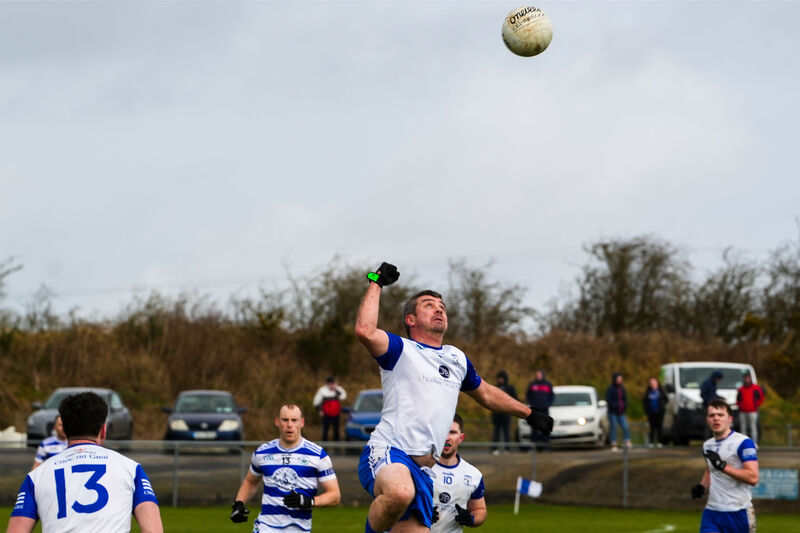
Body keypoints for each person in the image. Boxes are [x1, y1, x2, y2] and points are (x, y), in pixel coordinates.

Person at [354, 262, 552, 533]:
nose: (439, 309)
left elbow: (485, 393)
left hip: (424, 471)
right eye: (428, 305)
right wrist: (376, 281)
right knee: (399, 492)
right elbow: (365, 330)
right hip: (391, 450)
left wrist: (530, 414)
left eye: (442, 306)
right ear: (410, 319)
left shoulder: (456, 358)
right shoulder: (401, 349)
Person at [8, 392, 162, 533]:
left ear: (65, 430)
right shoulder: (131, 469)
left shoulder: (35, 477)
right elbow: (153, 530)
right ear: (103, 430)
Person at [230, 403, 341, 532]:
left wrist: (309, 501)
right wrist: (239, 503)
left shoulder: (318, 455)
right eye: (285, 420)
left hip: (299, 527)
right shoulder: (262, 453)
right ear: (277, 421)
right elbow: (250, 481)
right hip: (266, 526)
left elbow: (335, 496)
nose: (289, 425)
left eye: (294, 420)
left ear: (302, 422)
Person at [690, 398, 759, 533]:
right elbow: (710, 470)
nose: (716, 418)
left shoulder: (743, 442)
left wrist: (723, 466)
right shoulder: (707, 445)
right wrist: (702, 486)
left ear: (730, 419)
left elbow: (753, 477)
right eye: (712, 415)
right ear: (707, 420)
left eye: (720, 415)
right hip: (712, 511)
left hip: (738, 512)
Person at [431, 414, 487, 533]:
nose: (447, 437)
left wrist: (471, 519)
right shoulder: (419, 468)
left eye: (452, 432)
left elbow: (480, 509)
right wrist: (417, 512)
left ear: (461, 438)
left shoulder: (473, 475)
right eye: (443, 431)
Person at [525, 370, 555, 449]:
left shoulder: (547, 384)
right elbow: (528, 395)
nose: (537, 376)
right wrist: (531, 403)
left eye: (539, 375)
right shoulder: (532, 384)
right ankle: (533, 447)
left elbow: (552, 396)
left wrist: (548, 404)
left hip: (544, 410)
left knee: (545, 428)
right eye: (536, 375)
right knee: (534, 428)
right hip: (535, 410)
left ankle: (546, 447)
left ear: (542, 375)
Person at [313, 376, 348, 441]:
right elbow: (316, 401)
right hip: (326, 414)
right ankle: (324, 446)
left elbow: (343, 396)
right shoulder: (322, 390)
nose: (331, 385)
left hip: (336, 414)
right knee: (325, 430)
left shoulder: (337, 389)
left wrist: (336, 390)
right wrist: (320, 410)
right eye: (330, 384)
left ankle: (336, 447)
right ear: (327, 384)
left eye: (333, 383)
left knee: (336, 430)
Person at [491, 370, 517, 455]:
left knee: (506, 432)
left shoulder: (510, 388)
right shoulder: (494, 388)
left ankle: (507, 449)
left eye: (502, 378)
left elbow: (514, 399)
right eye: (499, 378)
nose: (500, 380)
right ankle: (494, 449)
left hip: (506, 414)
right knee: (496, 432)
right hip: (496, 414)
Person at [736, 373, 765, 446]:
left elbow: (761, 397)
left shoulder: (756, 388)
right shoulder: (741, 389)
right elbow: (738, 400)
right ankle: (743, 443)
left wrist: (756, 405)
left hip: (753, 411)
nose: (747, 379)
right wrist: (741, 406)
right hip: (743, 411)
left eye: (748, 378)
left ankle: (754, 443)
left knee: (753, 427)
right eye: (746, 378)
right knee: (743, 428)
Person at [605, 372, 631, 451]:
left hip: (621, 412)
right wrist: (615, 406)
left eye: (621, 379)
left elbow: (624, 399)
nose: (620, 381)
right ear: (615, 380)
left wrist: (625, 406)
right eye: (618, 379)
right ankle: (614, 443)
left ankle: (627, 441)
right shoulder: (610, 389)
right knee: (614, 427)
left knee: (625, 426)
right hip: (613, 412)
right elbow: (608, 400)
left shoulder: (622, 389)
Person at [642, 377, 667, 448]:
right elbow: (645, 401)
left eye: (654, 383)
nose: (653, 384)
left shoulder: (661, 391)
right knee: (652, 428)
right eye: (651, 383)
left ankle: (660, 442)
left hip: (659, 412)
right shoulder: (648, 392)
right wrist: (646, 410)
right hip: (651, 412)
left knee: (659, 427)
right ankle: (651, 442)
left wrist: (662, 405)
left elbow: (666, 399)